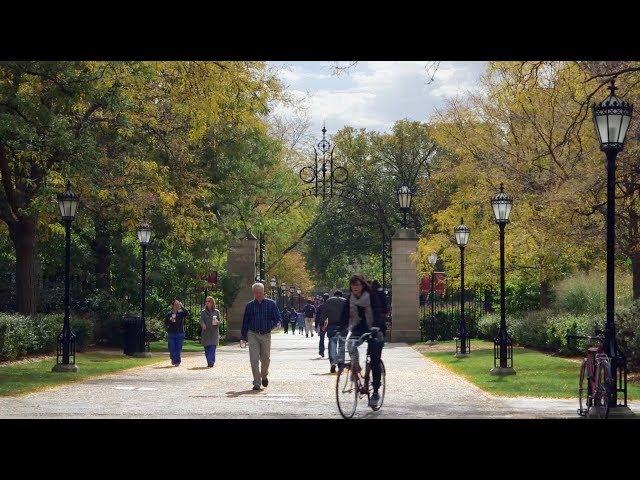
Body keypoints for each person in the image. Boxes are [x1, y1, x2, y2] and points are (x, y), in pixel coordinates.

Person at [340, 274, 385, 407]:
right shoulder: (350, 299)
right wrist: (340, 329)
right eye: (353, 285)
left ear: (362, 285)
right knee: (350, 344)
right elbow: (345, 315)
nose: (355, 287)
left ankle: (375, 392)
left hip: (375, 328)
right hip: (359, 328)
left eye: (358, 284)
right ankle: (356, 366)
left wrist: (376, 326)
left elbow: (377, 311)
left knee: (374, 359)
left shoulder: (371, 296)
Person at [241, 282, 282, 391]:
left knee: (265, 359)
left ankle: (264, 375)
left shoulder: (271, 304)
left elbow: (277, 318)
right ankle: (256, 382)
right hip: (252, 333)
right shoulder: (249, 305)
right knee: (254, 359)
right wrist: (243, 337)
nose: (258, 295)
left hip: (266, 334)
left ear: (263, 292)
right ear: (253, 293)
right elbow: (245, 322)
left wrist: (275, 324)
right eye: (256, 293)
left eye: (260, 293)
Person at [319, 290, 347, 373]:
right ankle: (341, 363)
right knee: (342, 345)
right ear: (341, 295)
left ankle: (333, 362)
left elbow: (324, 313)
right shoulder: (345, 301)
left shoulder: (329, 301)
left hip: (332, 325)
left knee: (332, 343)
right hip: (343, 326)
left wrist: (322, 324)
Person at [165, 299, 190, 367]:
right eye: (176, 304)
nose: (177, 306)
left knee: (178, 348)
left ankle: (177, 361)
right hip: (171, 333)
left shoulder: (181, 313)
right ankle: (173, 358)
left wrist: (182, 306)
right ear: (172, 306)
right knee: (172, 348)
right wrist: (170, 320)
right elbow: (165, 323)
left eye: (178, 304)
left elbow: (187, 313)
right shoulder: (169, 314)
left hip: (180, 333)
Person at [200, 296, 221, 367]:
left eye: (208, 301)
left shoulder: (217, 312)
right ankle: (209, 361)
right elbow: (201, 320)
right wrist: (203, 325)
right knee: (207, 348)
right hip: (206, 332)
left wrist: (217, 322)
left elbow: (219, 322)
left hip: (214, 332)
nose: (207, 303)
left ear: (212, 302)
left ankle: (211, 362)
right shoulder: (203, 312)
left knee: (212, 347)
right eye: (206, 301)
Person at [314, 293, 330, 357]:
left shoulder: (320, 307)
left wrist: (316, 325)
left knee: (322, 338)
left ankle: (321, 351)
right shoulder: (331, 306)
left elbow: (317, 317)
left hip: (322, 324)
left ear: (323, 299)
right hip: (330, 324)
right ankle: (330, 352)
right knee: (331, 339)